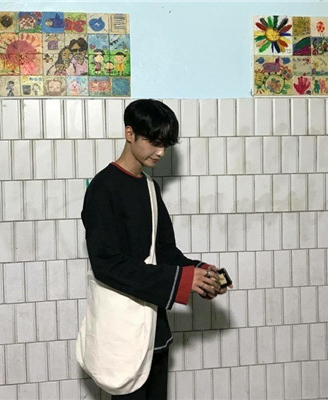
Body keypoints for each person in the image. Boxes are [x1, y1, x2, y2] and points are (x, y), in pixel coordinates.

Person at [80, 99, 232, 399]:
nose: (160, 152)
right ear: (129, 133)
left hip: (154, 330)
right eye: (154, 142)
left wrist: (200, 273)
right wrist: (182, 280)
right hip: (122, 330)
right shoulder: (102, 189)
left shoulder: (150, 188)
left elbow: (164, 251)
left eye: (165, 145)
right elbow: (107, 265)